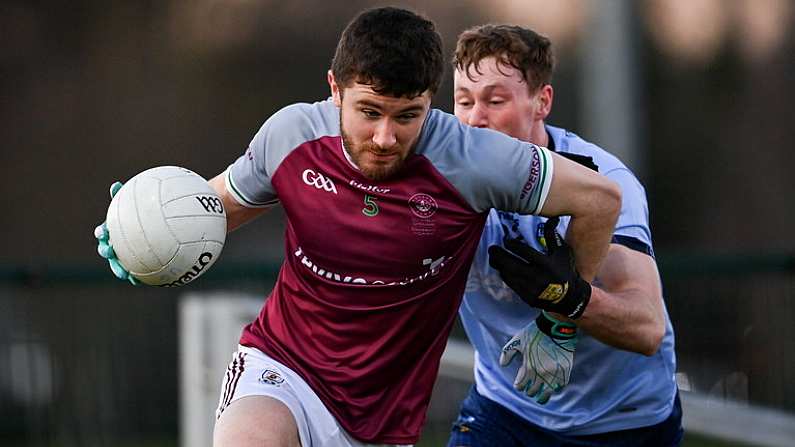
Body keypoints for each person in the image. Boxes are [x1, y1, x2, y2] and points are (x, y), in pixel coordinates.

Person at [94, 8, 621, 447]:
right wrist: (147, 228)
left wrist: (562, 317)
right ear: (335, 90)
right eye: (369, 111)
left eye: (407, 116)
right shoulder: (291, 134)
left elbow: (600, 199)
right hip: (284, 367)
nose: (386, 137)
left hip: (386, 417)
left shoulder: (476, 161)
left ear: (429, 102)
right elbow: (221, 204)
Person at [447, 24, 682, 446]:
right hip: (506, 409)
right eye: (463, 101)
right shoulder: (439, 176)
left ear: (542, 102)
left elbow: (647, 327)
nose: (474, 119)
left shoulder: (605, 184)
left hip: (622, 422)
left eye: (494, 101)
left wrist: (569, 299)